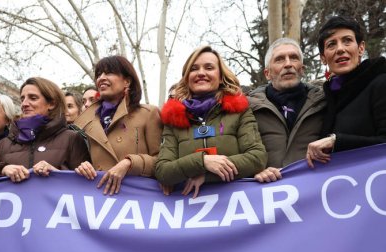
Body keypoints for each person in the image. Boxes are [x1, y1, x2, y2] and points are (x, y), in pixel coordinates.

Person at [155, 45, 267, 198]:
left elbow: (257, 157)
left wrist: (207, 175)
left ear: (220, 76)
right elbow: (163, 171)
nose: (201, 73)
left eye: (209, 67)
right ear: (187, 77)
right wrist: (203, 161)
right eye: (194, 69)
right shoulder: (173, 118)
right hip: (190, 210)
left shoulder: (239, 111)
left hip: (235, 205)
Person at [74, 56, 163, 195]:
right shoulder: (86, 123)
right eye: (98, 74)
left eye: (109, 72)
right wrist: (83, 167)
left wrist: (129, 163)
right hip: (100, 199)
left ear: (127, 81)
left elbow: (162, 162)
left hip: (139, 200)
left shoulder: (148, 114)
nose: (101, 78)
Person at [306, 16, 386, 167]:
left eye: (347, 40)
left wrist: (336, 141)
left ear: (361, 48)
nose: (340, 49)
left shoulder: (381, 83)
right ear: (323, 58)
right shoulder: (327, 97)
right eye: (331, 44)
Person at [249, 38, 326, 182]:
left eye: (294, 58)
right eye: (279, 59)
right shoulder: (249, 109)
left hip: (315, 193)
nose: (288, 64)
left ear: (302, 69)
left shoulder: (324, 102)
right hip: (267, 194)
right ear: (267, 73)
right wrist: (255, 171)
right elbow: (240, 151)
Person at [0, 77, 90, 182]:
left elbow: (84, 186)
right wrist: (2, 169)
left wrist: (56, 173)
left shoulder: (72, 139)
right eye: (22, 99)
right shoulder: (4, 144)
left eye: (33, 98)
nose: (24, 104)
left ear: (52, 104)